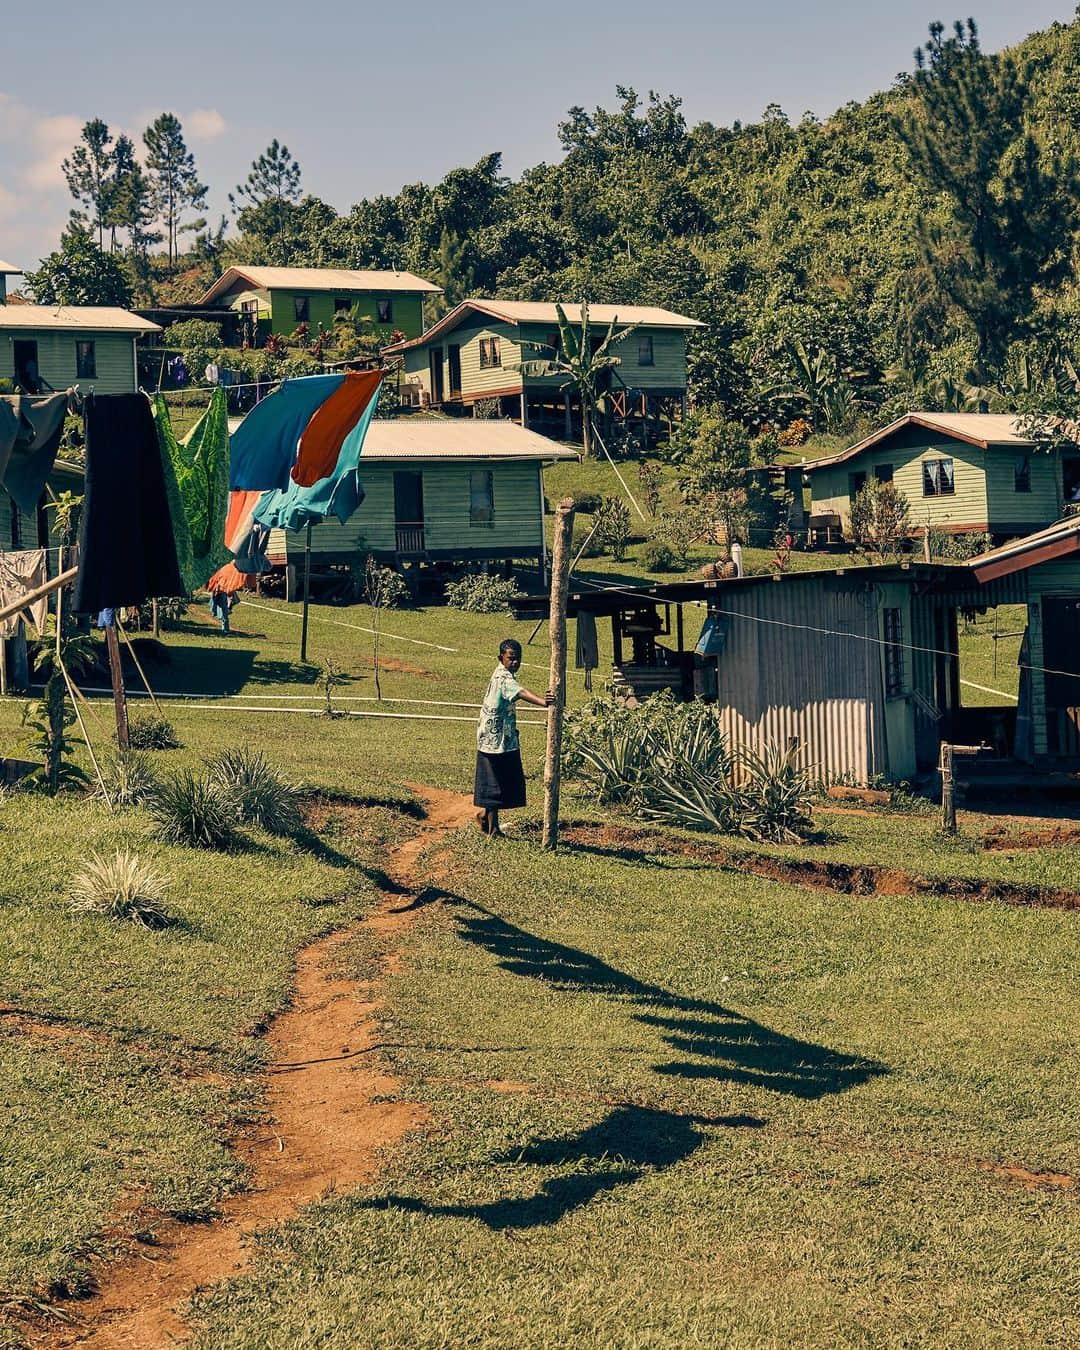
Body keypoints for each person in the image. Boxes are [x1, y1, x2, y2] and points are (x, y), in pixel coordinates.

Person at [474, 638, 553, 837]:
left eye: (518, 659)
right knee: (495, 782)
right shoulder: (503, 677)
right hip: (494, 739)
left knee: (501, 781)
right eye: (511, 658)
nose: (515, 662)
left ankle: (486, 818)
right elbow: (520, 692)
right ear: (501, 658)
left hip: (501, 737)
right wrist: (544, 702)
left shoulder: (503, 673)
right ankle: (493, 829)